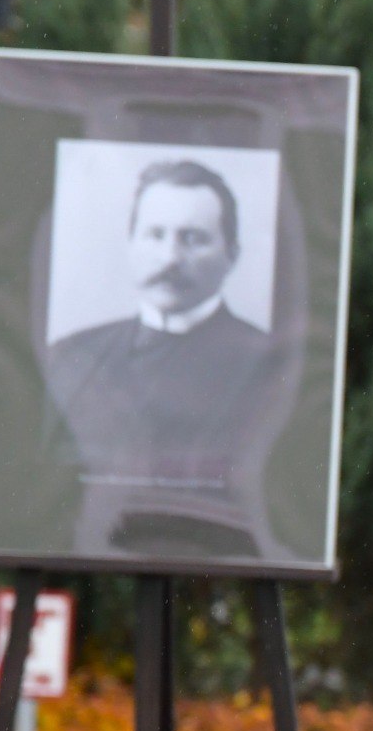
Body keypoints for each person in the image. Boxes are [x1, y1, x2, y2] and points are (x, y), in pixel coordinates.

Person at [42, 158, 284, 551]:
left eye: (193, 238)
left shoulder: (268, 363)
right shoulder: (73, 355)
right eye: (155, 235)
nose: (170, 258)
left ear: (232, 254)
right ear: (131, 243)